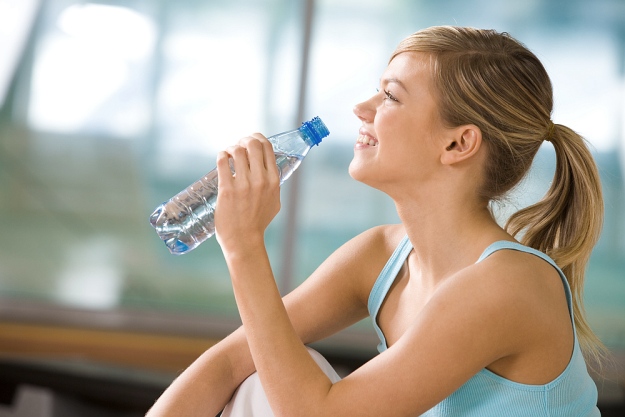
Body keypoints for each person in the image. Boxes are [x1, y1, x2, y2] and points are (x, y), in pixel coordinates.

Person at [146, 26, 605, 417]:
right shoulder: (380, 256)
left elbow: (318, 414)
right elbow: (228, 362)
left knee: (281, 378)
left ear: (458, 144)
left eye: (389, 96)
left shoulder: (507, 285)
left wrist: (244, 246)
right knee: (260, 379)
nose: (362, 108)